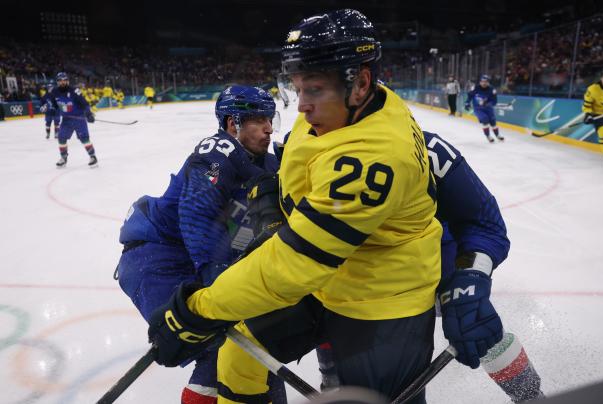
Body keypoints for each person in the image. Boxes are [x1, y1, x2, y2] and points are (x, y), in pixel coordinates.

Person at [145, 9, 501, 403]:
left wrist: (199, 309)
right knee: (240, 354)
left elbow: (295, 263)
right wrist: (278, 191)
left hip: (379, 302)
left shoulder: (372, 158)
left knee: (370, 397)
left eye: (313, 90)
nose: (301, 106)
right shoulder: (337, 114)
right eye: (298, 89)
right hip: (327, 282)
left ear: (361, 84)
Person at [316, 129, 543, 402]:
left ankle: (531, 395)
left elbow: (485, 221)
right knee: (323, 310)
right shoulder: (308, 152)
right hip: (366, 286)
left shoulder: (426, 147)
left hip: (436, 264)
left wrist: (471, 275)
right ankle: (333, 378)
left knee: (477, 324)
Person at [116, 85, 283, 404]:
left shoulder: (267, 165)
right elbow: (198, 217)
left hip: (194, 259)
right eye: (258, 119)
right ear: (233, 123)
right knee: (216, 350)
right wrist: (218, 289)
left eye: (270, 118)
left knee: (254, 344)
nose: (268, 127)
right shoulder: (217, 150)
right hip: (157, 260)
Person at [48, 72, 97, 168]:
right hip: (66, 120)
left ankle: (93, 156)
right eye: (60, 81)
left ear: (67, 81)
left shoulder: (75, 91)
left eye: (64, 80)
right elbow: (54, 105)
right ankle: (64, 158)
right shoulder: (54, 92)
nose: (62, 82)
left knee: (84, 138)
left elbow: (84, 103)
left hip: (79, 118)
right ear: (57, 82)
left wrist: (88, 114)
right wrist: (49, 108)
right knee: (61, 138)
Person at [465, 74, 504, 142]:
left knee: (493, 122)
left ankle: (497, 135)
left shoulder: (492, 89)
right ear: (480, 82)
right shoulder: (475, 88)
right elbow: (470, 96)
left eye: (485, 81)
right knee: (484, 119)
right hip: (478, 109)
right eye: (482, 81)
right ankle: (488, 136)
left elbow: (494, 101)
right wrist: (467, 103)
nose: (484, 83)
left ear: (488, 82)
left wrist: (489, 103)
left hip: (489, 109)